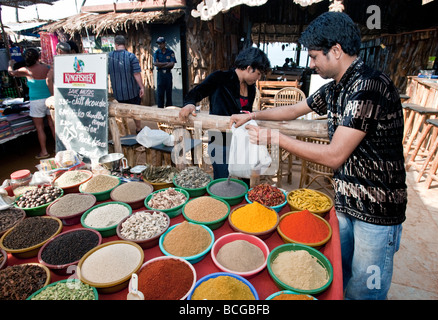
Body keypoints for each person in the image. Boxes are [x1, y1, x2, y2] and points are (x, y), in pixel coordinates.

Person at [230, 12, 407, 300]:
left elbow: (335, 155)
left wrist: (276, 138)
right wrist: (253, 115)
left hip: (377, 210)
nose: (311, 64)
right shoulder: (337, 87)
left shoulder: (369, 87)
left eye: (314, 57)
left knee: (365, 290)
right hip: (347, 202)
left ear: (335, 51)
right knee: (342, 274)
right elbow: (293, 110)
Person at [179, 47, 270, 181]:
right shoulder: (219, 78)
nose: (259, 77)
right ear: (250, 68)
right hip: (220, 139)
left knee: (245, 178)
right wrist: (190, 104)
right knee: (222, 182)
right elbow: (195, 93)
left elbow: (246, 113)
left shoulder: (251, 88)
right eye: (259, 73)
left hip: (242, 141)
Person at [8, 48, 55, 159]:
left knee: (39, 128)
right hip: (49, 98)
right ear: (38, 57)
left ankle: (44, 152)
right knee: (52, 125)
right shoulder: (47, 68)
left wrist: (10, 64)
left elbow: (11, 73)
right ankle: (58, 148)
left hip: (36, 101)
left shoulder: (27, 70)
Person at [108, 35, 145, 133]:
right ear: (125, 44)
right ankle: (138, 129)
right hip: (131, 92)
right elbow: (136, 74)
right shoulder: (130, 56)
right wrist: (141, 87)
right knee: (135, 111)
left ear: (115, 44)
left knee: (120, 113)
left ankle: (123, 131)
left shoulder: (109, 57)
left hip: (118, 94)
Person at [153, 37, 176, 108]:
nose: (160, 45)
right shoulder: (157, 52)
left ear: (164, 43)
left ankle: (169, 109)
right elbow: (156, 64)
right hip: (160, 75)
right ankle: (160, 110)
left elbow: (172, 64)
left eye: (161, 43)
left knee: (169, 93)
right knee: (160, 93)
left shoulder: (170, 52)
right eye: (158, 44)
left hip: (168, 74)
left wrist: (161, 64)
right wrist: (166, 63)